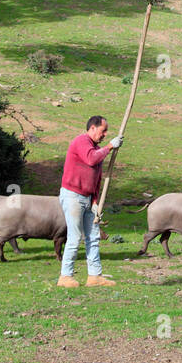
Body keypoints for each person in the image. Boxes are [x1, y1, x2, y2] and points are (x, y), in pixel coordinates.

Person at [57, 115, 121, 288]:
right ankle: (65, 276)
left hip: (87, 198)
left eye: (106, 132)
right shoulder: (81, 141)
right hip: (73, 196)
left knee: (93, 237)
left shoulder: (96, 148)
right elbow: (91, 159)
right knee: (75, 237)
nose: (105, 134)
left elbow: (96, 179)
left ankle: (94, 276)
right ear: (92, 128)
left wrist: (95, 201)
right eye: (103, 130)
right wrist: (109, 147)